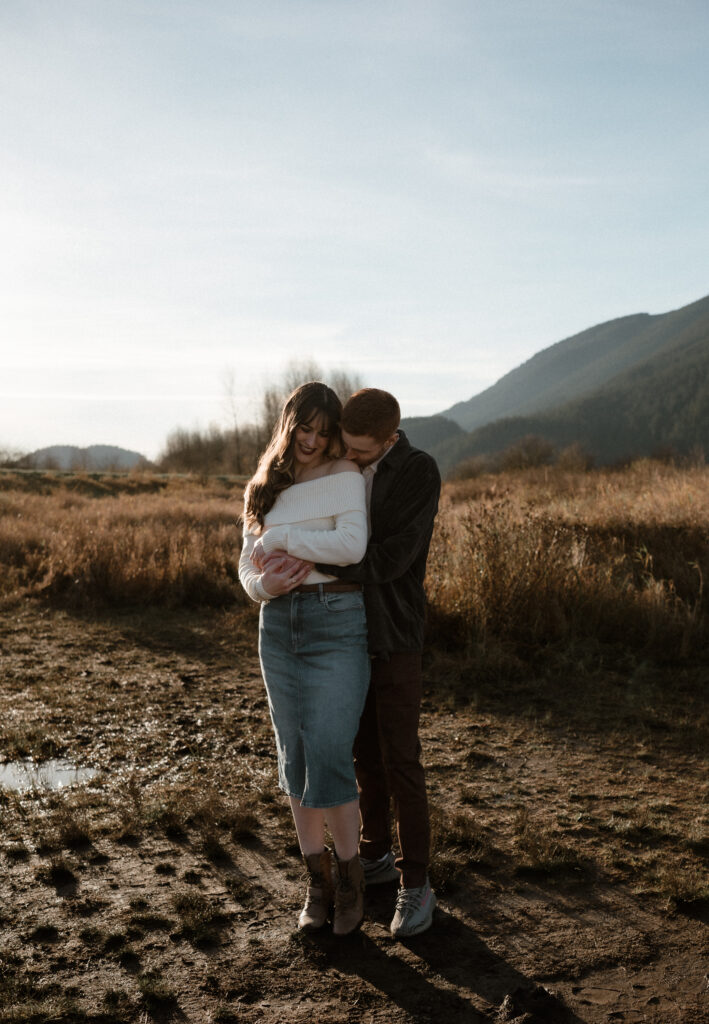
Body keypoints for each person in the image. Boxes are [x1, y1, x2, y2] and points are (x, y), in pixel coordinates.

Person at [238, 381, 370, 936]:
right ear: (288, 425)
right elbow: (248, 568)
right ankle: (318, 884)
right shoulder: (265, 485)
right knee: (294, 755)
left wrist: (285, 540)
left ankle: (353, 881)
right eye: (304, 428)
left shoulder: (346, 477)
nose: (313, 440)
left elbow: (351, 546)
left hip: (336, 622)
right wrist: (264, 583)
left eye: (323, 430)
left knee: (330, 751)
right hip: (279, 628)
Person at [316, 388, 441, 939]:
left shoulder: (418, 471)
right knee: (362, 755)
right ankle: (374, 856)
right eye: (348, 446)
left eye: (363, 451)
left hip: (394, 635)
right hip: (346, 636)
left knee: (402, 760)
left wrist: (315, 559)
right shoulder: (340, 462)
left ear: (389, 439)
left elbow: (393, 559)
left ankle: (417, 884)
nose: (353, 457)